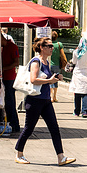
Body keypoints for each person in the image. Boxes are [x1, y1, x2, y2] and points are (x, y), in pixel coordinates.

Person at [15, 37, 75, 166]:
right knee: (29, 128)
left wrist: (56, 78)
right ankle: (19, 154)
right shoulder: (36, 62)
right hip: (35, 100)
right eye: (49, 46)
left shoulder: (47, 62)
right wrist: (49, 81)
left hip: (46, 101)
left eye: (52, 46)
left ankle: (61, 157)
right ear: (42, 48)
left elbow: (45, 79)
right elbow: (33, 80)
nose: (52, 48)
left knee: (54, 128)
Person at [0, 30, 21, 133]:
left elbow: (16, 62)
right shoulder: (4, 48)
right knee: (7, 102)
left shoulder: (12, 47)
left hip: (10, 78)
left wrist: (4, 68)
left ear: (0, 38)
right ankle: (8, 122)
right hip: (4, 77)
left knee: (10, 102)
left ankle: (14, 125)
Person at [68, 36, 87, 118]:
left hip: (78, 73)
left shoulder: (76, 52)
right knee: (86, 93)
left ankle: (77, 111)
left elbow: (73, 62)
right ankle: (84, 112)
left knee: (77, 93)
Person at [50, 31, 66, 102]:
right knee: (56, 80)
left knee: (50, 80)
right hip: (57, 65)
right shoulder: (59, 44)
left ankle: (50, 96)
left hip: (49, 64)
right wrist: (65, 62)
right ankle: (54, 96)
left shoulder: (49, 45)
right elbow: (62, 54)